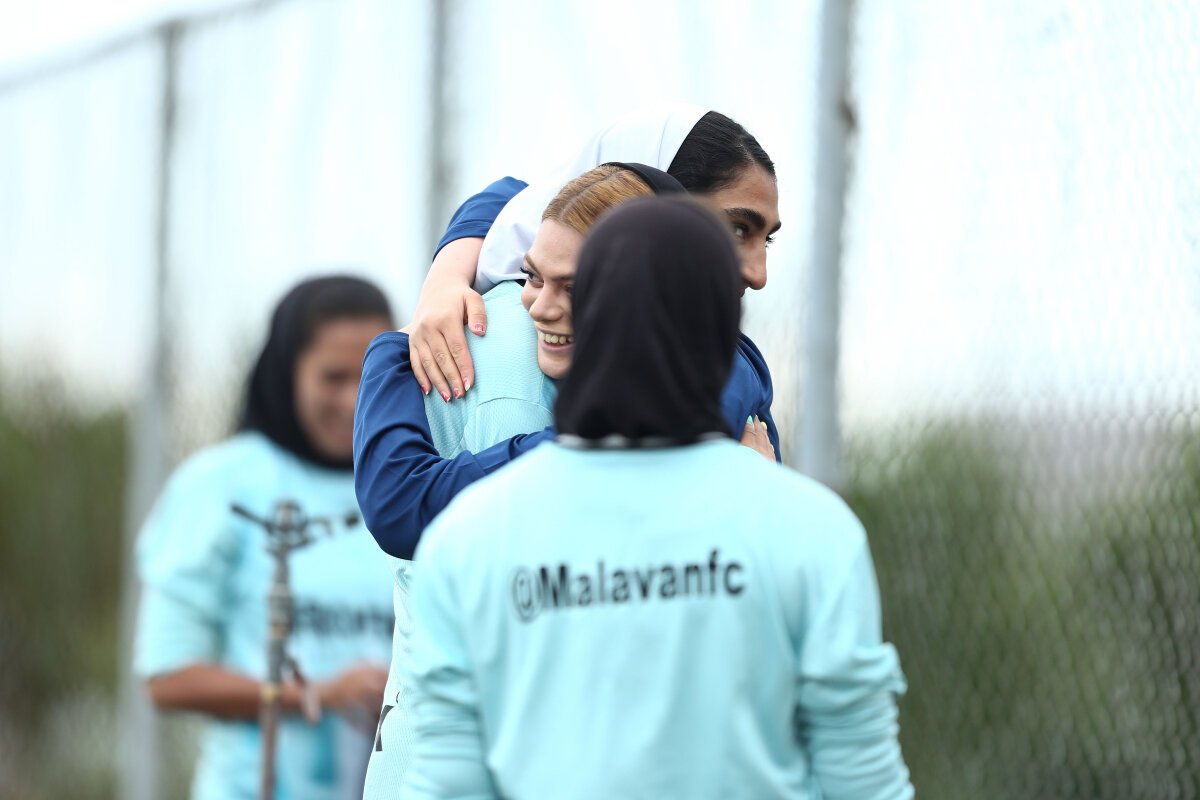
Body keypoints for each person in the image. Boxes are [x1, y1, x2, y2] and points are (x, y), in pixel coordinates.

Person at [400, 197, 913, 800]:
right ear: (722, 326)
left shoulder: (470, 536)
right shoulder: (810, 528)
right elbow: (863, 780)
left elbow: (448, 784)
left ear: (589, 317)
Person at [358, 163, 750, 796]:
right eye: (531, 276)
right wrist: (420, 311)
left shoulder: (725, 398)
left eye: (574, 286)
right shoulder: (502, 375)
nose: (538, 305)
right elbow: (401, 506)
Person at [357, 106, 783, 560]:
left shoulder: (730, 375)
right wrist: (443, 278)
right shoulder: (506, 353)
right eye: (735, 228)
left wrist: (391, 351)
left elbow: (405, 504)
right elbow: (515, 197)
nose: (758, 275)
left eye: (765, 237)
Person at [134, 276, 397, 800]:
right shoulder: (224, 485)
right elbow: (167, 677)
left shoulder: (412, 482)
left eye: (370, 375)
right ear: (287, 371)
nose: (353, 399)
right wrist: (318, 694)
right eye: (333, 377)